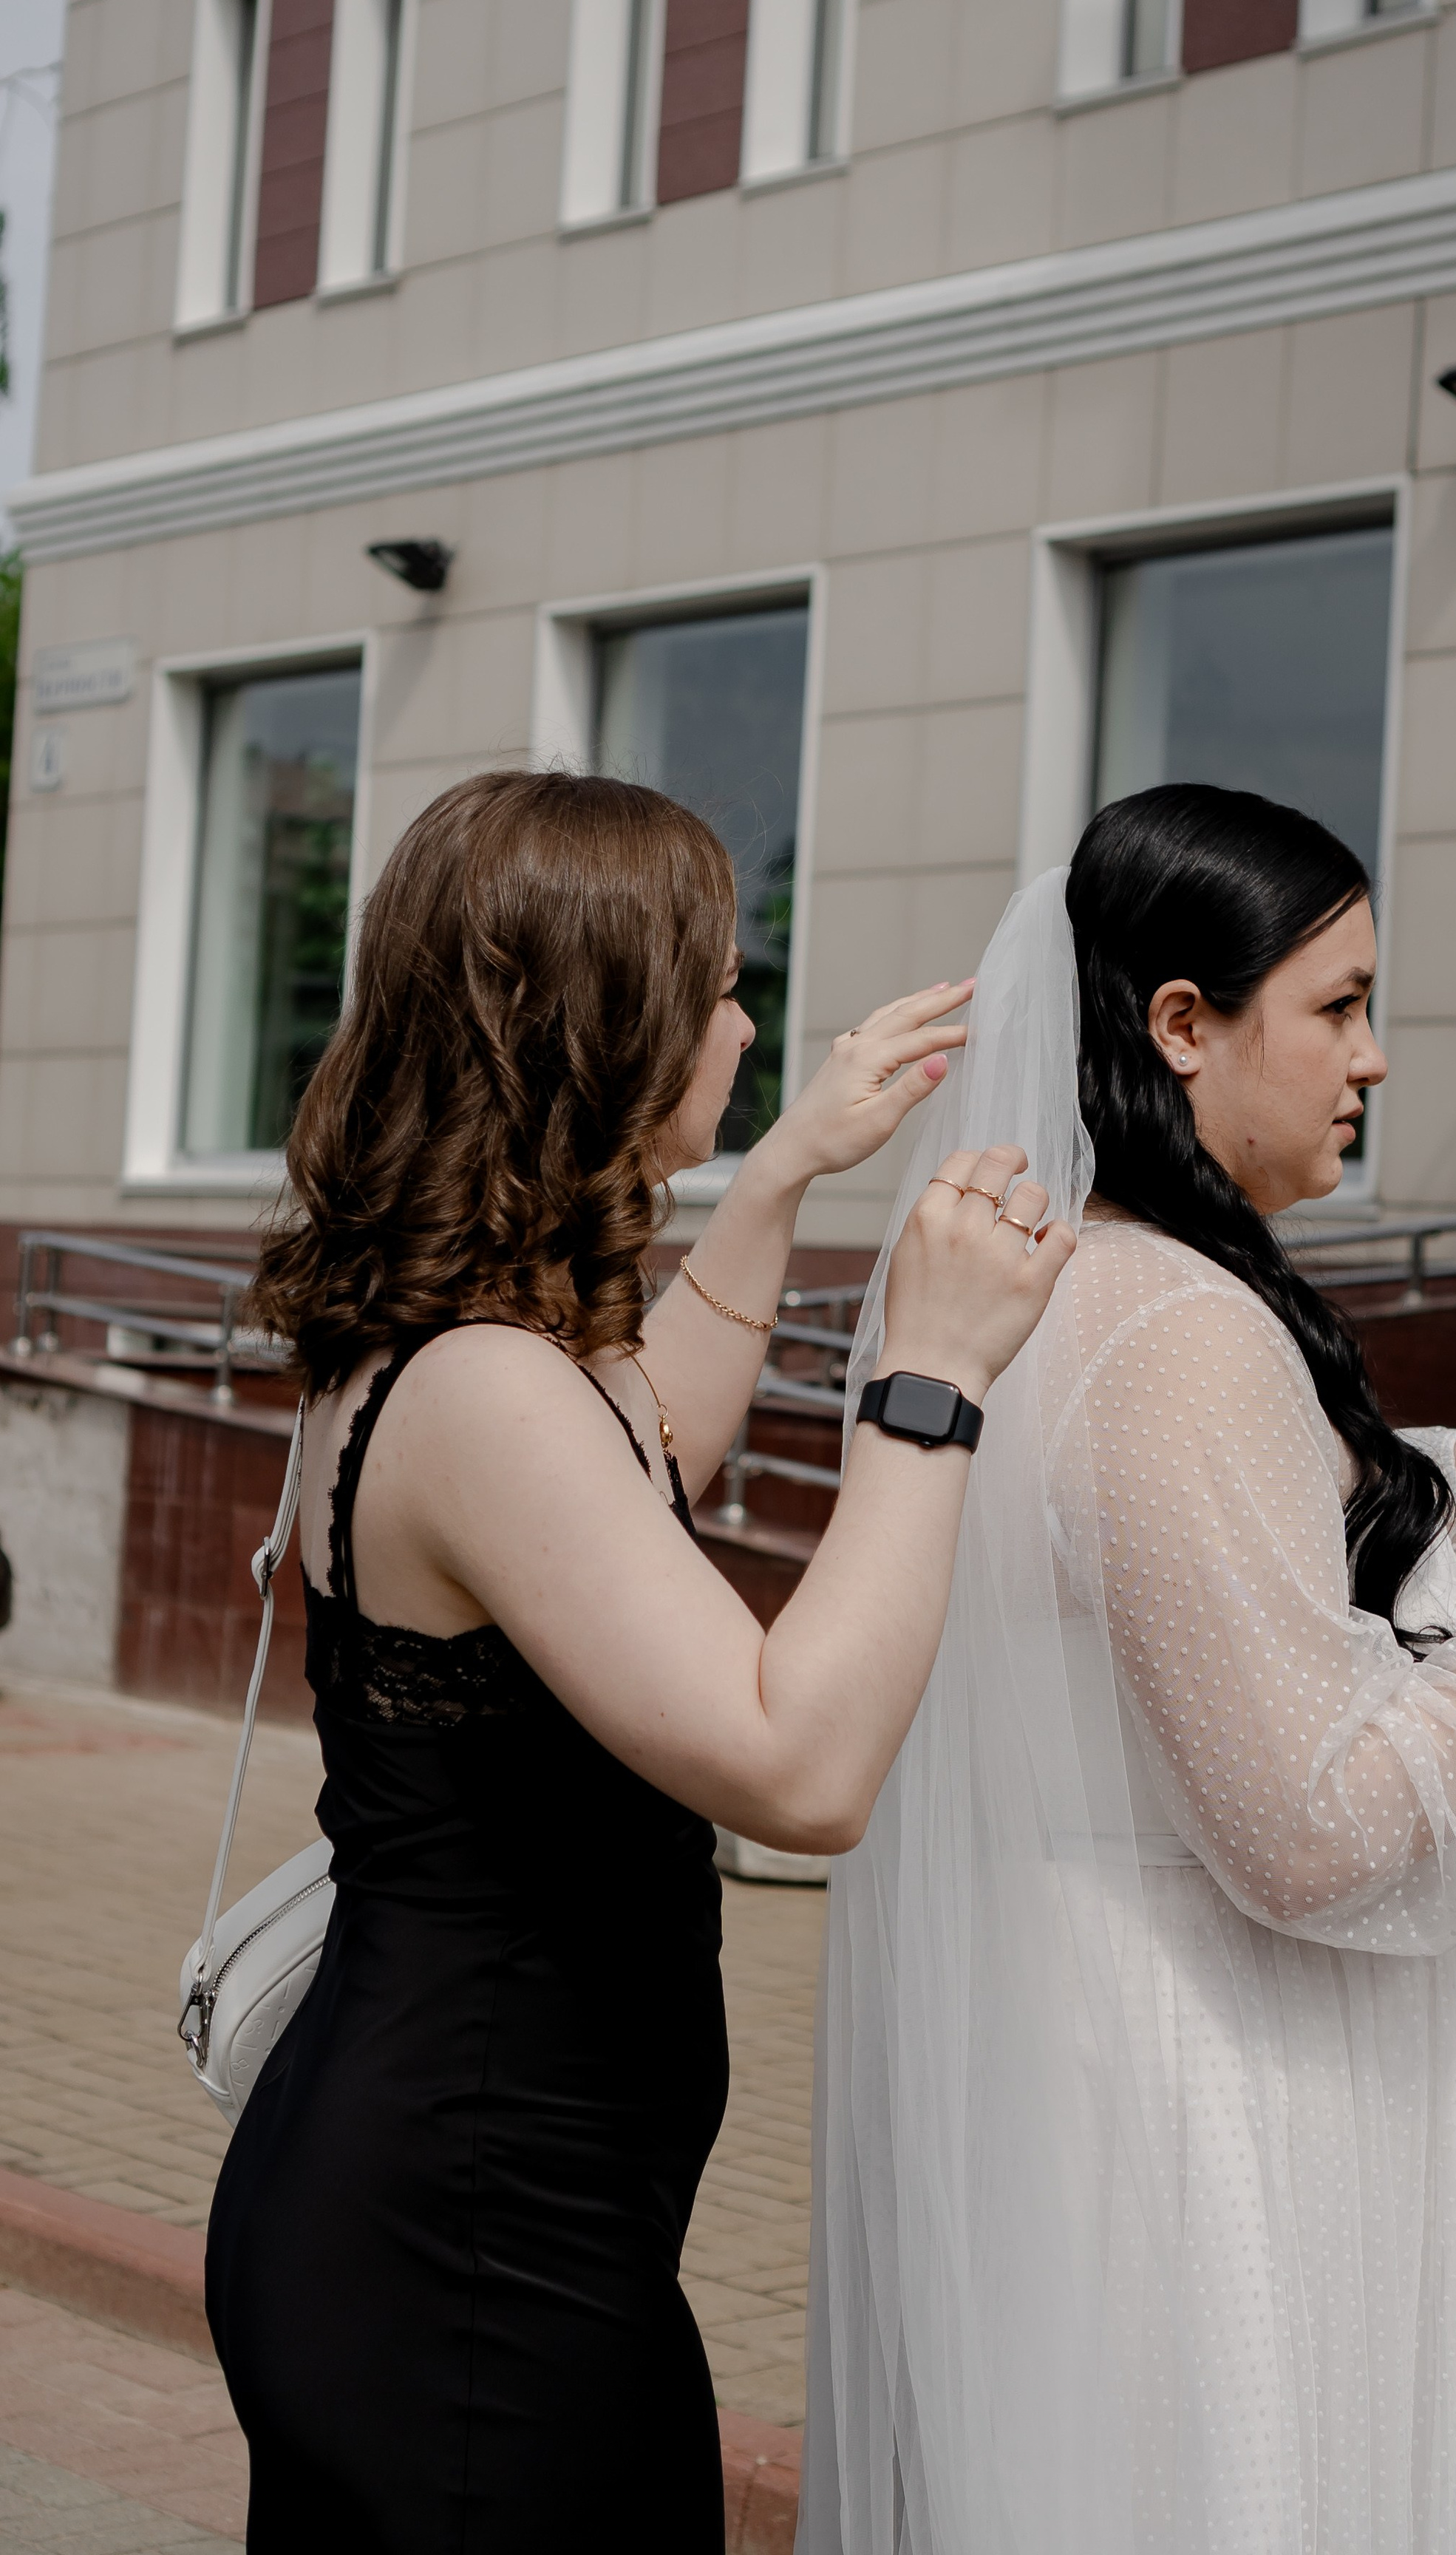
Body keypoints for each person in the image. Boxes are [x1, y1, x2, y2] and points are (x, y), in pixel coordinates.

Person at [801, 785, 1456, 2555]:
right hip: (1223, 2093)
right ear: (1178, 1025)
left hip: (1098, 2043)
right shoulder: (1175, 1327)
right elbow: (1307, 1823)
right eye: (1334, 1006)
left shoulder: (1064, 1285)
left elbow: (1189, 1594)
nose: (1371, 1058)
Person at [207, 769, 1074, 2554]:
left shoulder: (460, 1341)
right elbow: (798, 1768)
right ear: (590, 1028)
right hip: (461, 2256)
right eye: (718, 984)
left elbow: (651, 1445)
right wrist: (933, 1382)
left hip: (482, 2209)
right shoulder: (486, 1387)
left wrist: (775, 1176)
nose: (751, 1021)